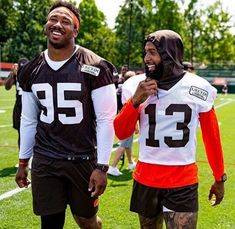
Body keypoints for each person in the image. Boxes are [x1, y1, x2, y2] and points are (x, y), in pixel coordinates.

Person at [15, 1, 117, 228]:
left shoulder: (95, 65)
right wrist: (23, 162)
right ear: (46, 25)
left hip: (82, 159)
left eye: (65, 21)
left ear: (76, 29)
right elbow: (29, 119)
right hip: (46, 160)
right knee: (50, 223)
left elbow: (105, 119)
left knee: (87, 222)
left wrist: (102, 167)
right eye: (53, 19)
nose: (57, 24)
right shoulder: (31, 69)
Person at [114, 30, 226, 228]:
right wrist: (135, 101)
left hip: (182, 180)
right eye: (145, 52)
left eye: (152, 52)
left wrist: (219, 177)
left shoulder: (197, 86)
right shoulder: (136, 86)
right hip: (146, 178)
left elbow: (212, 137)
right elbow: (121, 133)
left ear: (169, 54)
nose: (146, 58)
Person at [108, 71, 138, 176]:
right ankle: (113, 166)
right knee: (124, 143)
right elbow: (130, 111)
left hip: (118, 117)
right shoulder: (129, 91)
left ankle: (130, 162)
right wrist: (135, 124)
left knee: (127, 143)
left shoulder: (121, 88)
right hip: (125, 121)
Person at [5, 58, 29, 148]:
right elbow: (7, 86)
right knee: (21, 134)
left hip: (29, 107)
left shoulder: (31, 74)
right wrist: (12, 74)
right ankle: (22, 158)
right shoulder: (15, 75)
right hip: (19, 107)